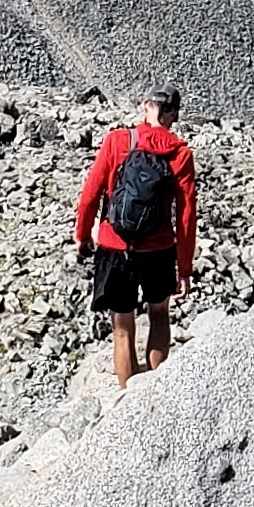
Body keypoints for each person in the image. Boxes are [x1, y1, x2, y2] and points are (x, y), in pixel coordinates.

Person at [74, 86, 198, 388]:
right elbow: (186, 217)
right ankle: (156, 393)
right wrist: (184, 268)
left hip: (114, 246)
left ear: (146, 106)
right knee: (159, 315)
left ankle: (127, 398)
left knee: (121, 326)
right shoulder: (180, 154)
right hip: (158, 250)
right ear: (173, 115)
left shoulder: (117, 141)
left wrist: (83, 234)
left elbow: (90, 194)